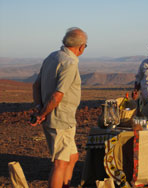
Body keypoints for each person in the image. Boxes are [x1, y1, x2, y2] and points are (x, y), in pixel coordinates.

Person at [32, 27, 87, 188]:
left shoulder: (52, 57)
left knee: (73, 157)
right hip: (60, 119)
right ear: (81, 46)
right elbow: (58, 95)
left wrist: (39, 108)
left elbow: (36, 85)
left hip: (59, 118)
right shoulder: (69, 63)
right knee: (60, 163)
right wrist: (42, 113)